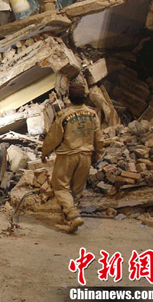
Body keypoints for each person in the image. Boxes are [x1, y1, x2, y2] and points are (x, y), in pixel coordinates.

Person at [41, 82, 103, 233]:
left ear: (69, 98)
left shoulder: (64, 115)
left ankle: (73, 216)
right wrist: (98, 152)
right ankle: (70, 220)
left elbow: (53, 137)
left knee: (60, 186)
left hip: (67, 156)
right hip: (86, 156)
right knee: (76, 190)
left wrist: (45, 152)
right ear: (84, 97)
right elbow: (99, 138)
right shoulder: (92, 114)